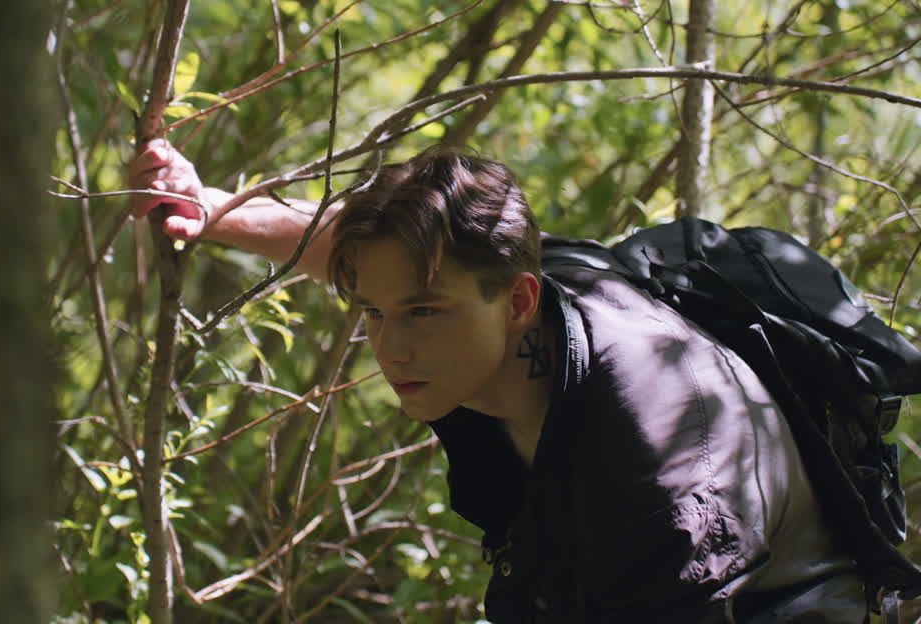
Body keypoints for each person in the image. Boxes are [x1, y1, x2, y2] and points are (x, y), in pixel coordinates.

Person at [129, 139, 868, 622]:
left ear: (518, 301)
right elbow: (363, 257)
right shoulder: (526, 290)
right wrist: (217, 211)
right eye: (372, 315)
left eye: (421, 314)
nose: (391, 347)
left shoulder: (657, 470)